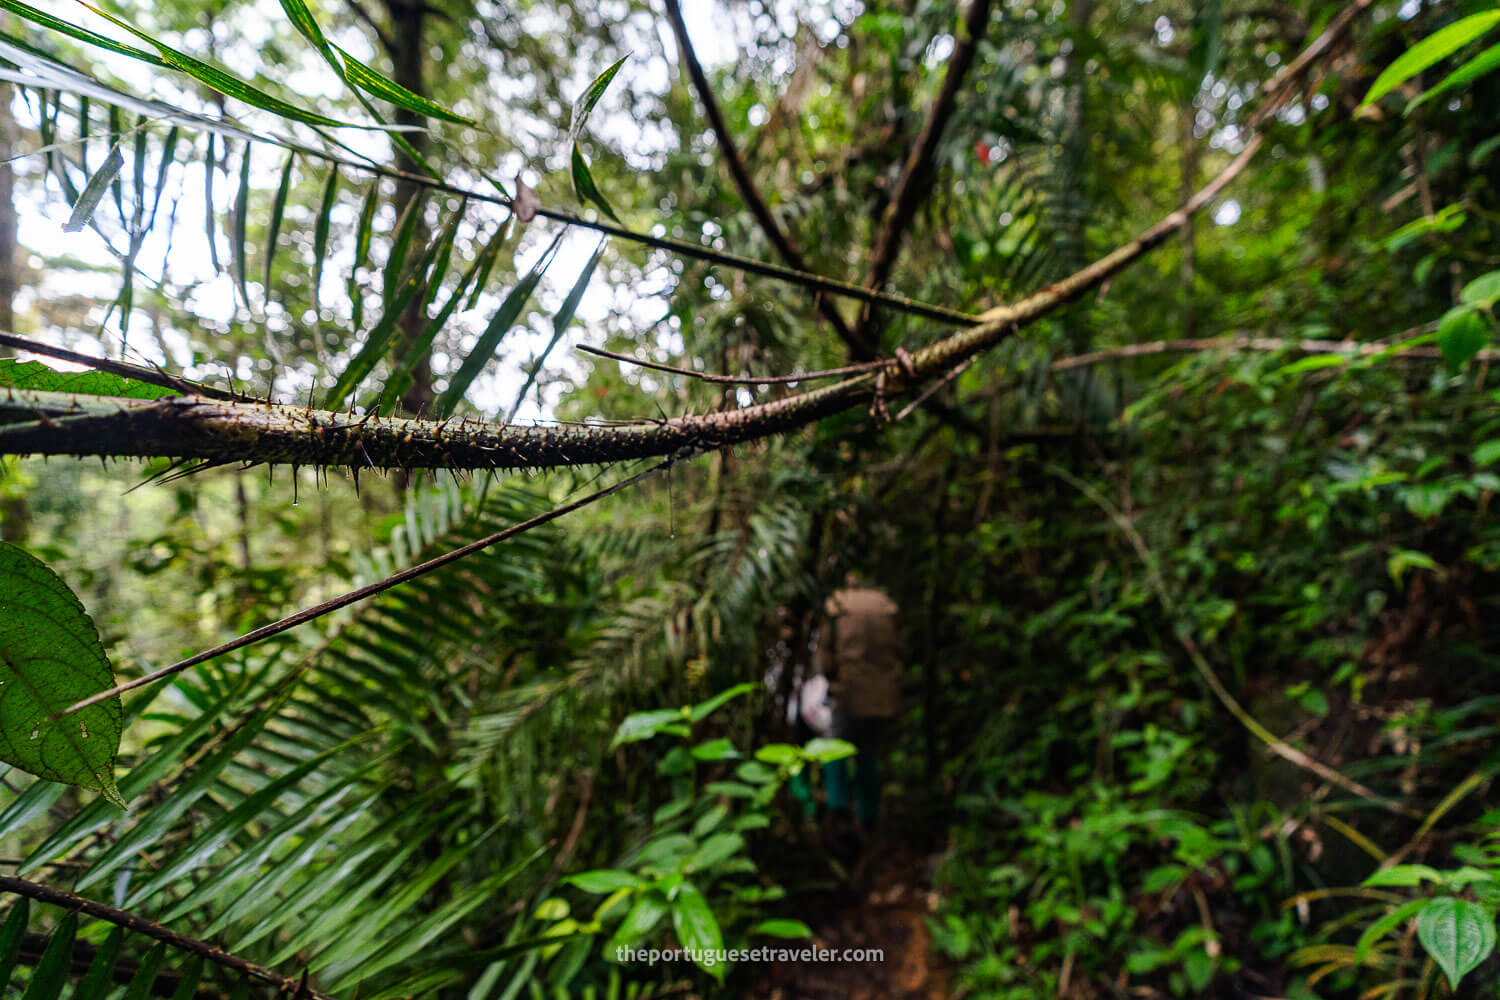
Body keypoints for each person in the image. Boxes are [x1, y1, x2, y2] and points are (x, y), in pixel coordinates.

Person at [814, 577, 905, 834]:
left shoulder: (837, 605)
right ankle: (868, 816)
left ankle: (839, 808)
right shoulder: (886, 606)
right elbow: (900, 650)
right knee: (868, 754)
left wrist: (830, 681)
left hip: (848, 693)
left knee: (834, 749)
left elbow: (825, 654)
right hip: (882, 695)